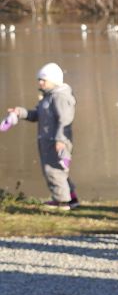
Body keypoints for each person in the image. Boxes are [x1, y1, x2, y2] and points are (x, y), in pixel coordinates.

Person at [10, 62, 80, 209]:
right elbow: (37, 115)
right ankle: (71, 198)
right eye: (39, 80)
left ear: (53, 80)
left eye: (43, 80)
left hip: (57, 141)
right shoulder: (48, 97)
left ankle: (63, 202)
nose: (40, 82)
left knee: (53, 171)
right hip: (47, 141)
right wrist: (20, 112)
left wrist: (61, 139)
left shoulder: (60, 97)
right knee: (58, 171)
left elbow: (65, 118)